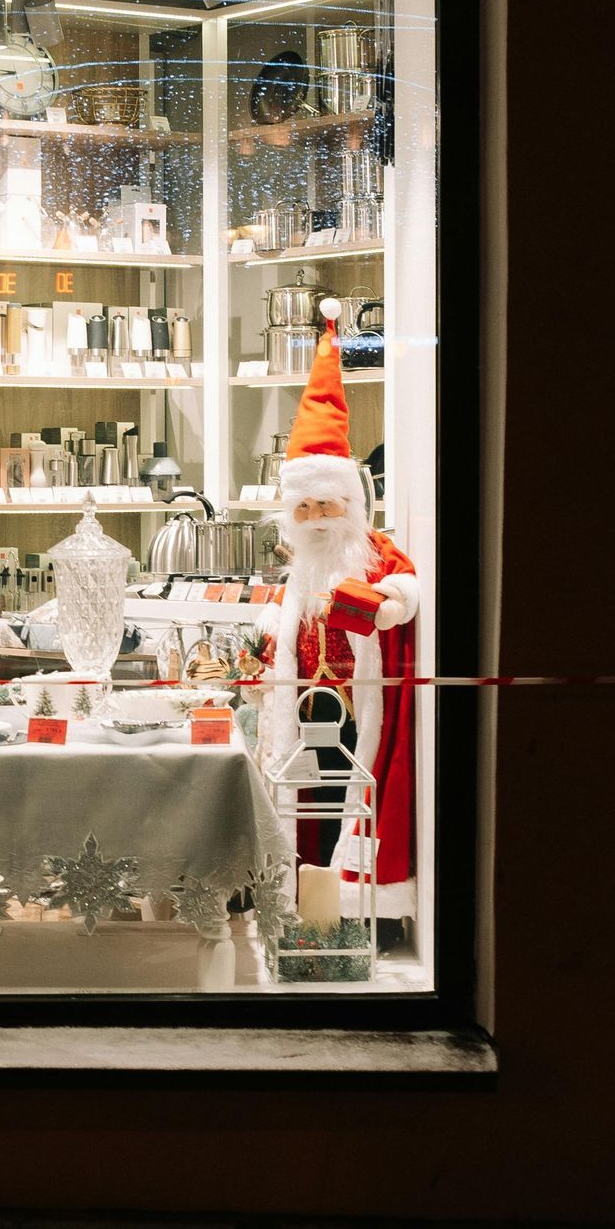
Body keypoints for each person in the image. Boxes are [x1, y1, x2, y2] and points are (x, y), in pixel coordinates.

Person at [256, 300, 419, 920]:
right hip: (306, 709)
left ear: (348, 504)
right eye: (305, 509)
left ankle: (350, 909)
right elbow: (284, 624)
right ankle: (307, 904)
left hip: (357, 711)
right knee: (310, 804)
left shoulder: (373, 554)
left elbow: (402, 593)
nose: (316, 518)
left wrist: (384, 605)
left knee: (354, 800)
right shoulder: (300, 566)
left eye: (326, 506)